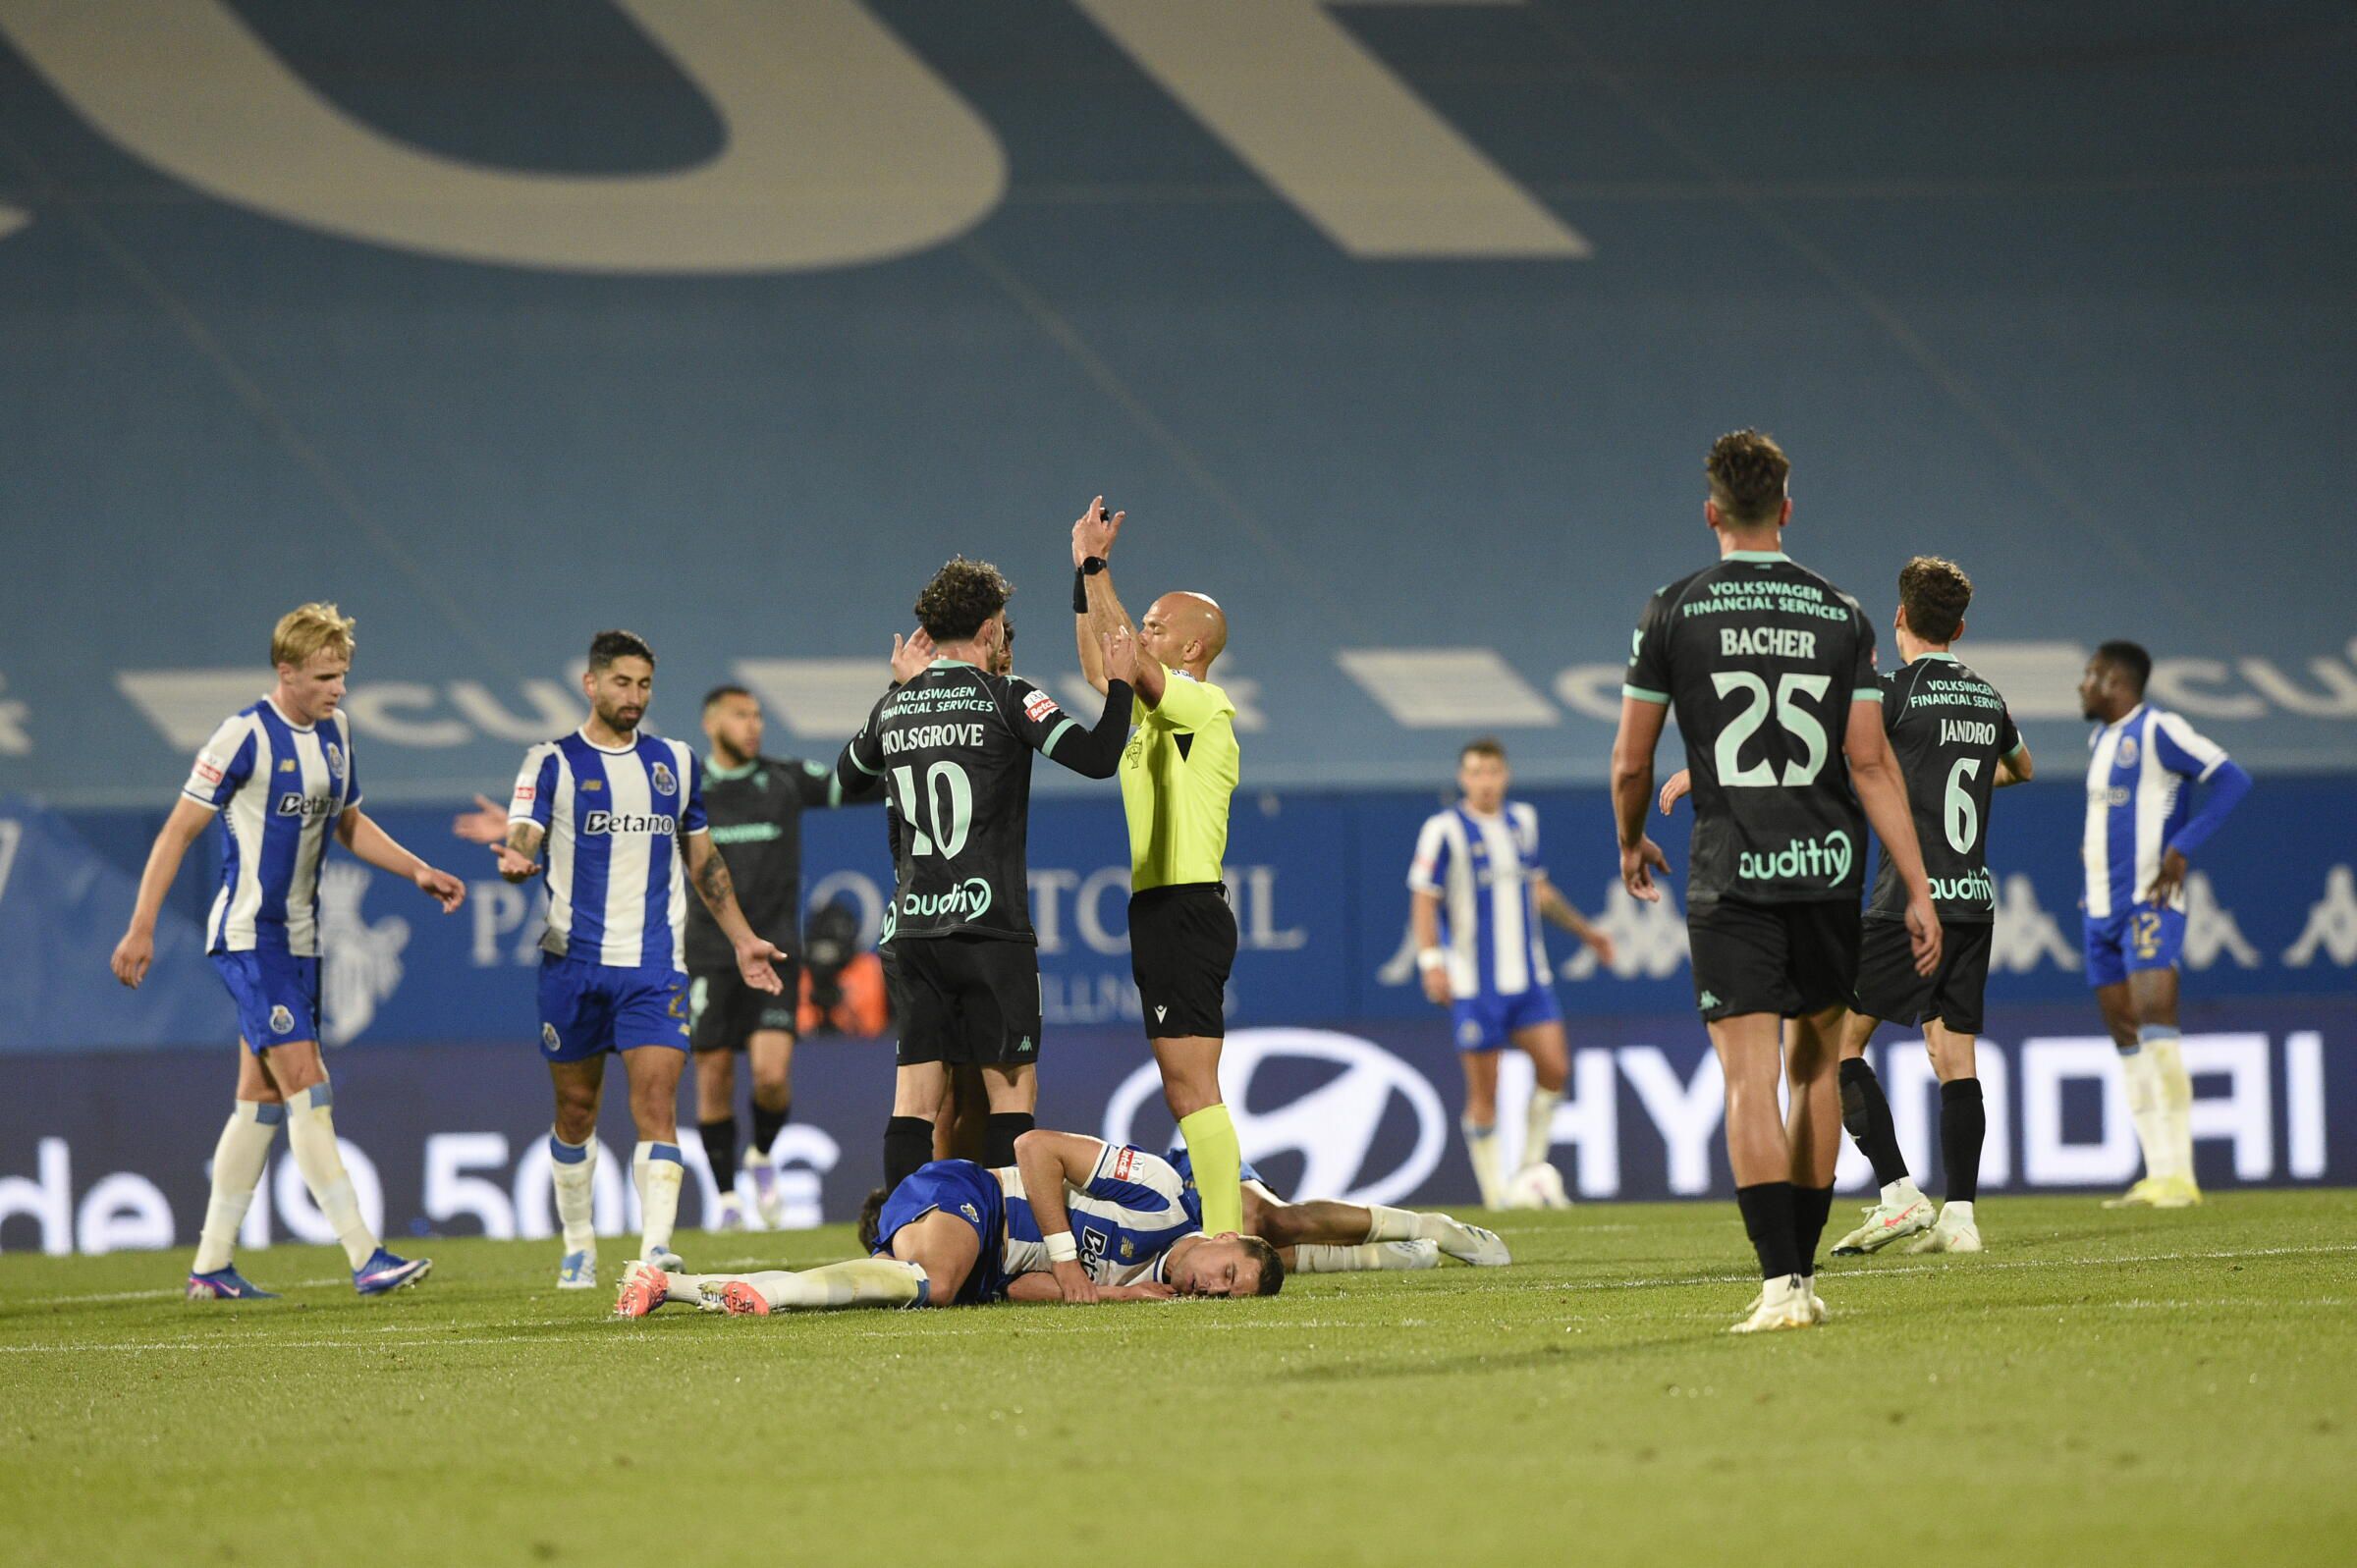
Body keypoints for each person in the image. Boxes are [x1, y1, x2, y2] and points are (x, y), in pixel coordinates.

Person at [1610, 430, 1939, 1334]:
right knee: (1816, 1072)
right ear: (1787, 510)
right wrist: (1916, 885)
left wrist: (1632, 840)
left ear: (1711, 511)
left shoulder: (1672, 610)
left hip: (1732, 875)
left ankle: (1780, 1285)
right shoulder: (1843, 613)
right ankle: (1805, 1274)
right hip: (1829, 872)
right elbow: (1872, 765)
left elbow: (1633, 760)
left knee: (1746, 1078)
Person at [1662, 556, 2032, 1256]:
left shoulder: (1892, 692)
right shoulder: (1988, 699)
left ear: (1899, 619)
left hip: (1905, 902)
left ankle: (1897, 1192)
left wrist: (1701, 773)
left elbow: (1809, 746)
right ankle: (1962, 1216)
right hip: (1974, 901)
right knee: (1954, 1054)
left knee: (1833, 1047)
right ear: (1960, 626)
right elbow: (2021, 766)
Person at [110, 603, 456, 1299]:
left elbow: (351, 825)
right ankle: (366, 1255)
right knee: (308, 1082)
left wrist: (416, 868)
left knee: (261, 1099)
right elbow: (176, 832)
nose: (340, 688)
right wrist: (141, 924)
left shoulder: (337, 733)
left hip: (302, 941)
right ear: (286, 671)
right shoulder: (242, 736)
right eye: (326, 676)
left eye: (345, 674)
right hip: (249, 938)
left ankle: (210, 1266)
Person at [490, 629, 789, 1289]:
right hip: (572, 965)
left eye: (644, 684)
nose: (634, 696)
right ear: (591, 684)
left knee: (658, 1102)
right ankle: (578, 1243)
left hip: (654, 965)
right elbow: (524, 832)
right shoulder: (551, 762)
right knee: (575, 1109)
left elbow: (704, 861)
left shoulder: (676, 763)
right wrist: (516, 857)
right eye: (621, 683)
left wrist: (742, 938)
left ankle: (656, 1250)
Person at [840, 560, 1134, 1200]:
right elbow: (1097, 756)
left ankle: (907, 1244)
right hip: (989, 925)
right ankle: (1004, 1247)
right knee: (1011, 1097)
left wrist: (903, 693)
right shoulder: (1008, 695)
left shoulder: (893, 704)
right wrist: (1119, 687)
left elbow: (847, 776)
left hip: (914, 930)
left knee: (916, 1100)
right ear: (991, 625)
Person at [1071, 496, 1249, 1241]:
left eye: (1156, 624)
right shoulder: (1153, 712)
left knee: (1192, 1087)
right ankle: (1225, 1227)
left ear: (1192, 649)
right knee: (1185, 1088)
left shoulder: (1204, 707)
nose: (1139, 629)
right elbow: (1099, 662)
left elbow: (1129, 661)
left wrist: (1099, 566)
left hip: (1185, 909)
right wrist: (1081, 574)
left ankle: (1227, 1234)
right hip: (1161, 909)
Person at [614, 1131, 1282, 1316]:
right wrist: (1072, 1262)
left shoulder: (1150, 1290)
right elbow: (1034, 1148)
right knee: (934, 1281)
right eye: (1228, 1272)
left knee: (937, 1285)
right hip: (968, 1191)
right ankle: (771, 1292)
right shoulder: (1162, 1195)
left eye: (1230, 1294)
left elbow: (1014, 1288)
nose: (1215, 1288)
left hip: (983, 1263)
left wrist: (1108, 1293)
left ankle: (672, 1286)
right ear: (1225, 1237)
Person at [2077, 639, 2251, 1209]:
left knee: (2155, 1025)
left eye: (2090, 675)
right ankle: (2158, 1172)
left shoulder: (2159, 729)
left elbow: (2231, 779)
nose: (2081, 685)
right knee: (2126, 1038)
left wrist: (2182, 845)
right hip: (2099, 910)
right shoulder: (2100, 738)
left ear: (2114, 682)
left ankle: (2181, 1174)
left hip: (2148, 906)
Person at [1408, 736, 1617, 1209]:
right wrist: (1431, 962)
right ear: (1464, 779)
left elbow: (1537, 891)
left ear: (1505, 775)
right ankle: (1496, 1196)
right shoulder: (1444, 830)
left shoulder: (1523, 822)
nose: (1485, 781)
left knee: (1556, 1069)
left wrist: (1586, 932)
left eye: (1493, 771)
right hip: (1474, 983)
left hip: (1529, 979)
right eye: (1476, 773)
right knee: (1485, 1092)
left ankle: (1528, 1170)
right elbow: (1424, 897)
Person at [1163, 1144, 1512, 1272]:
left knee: (1267, 1222)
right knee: (1229, 1272)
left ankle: (1429, 1227)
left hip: (1170, 1182)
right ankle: (1379, 1257)